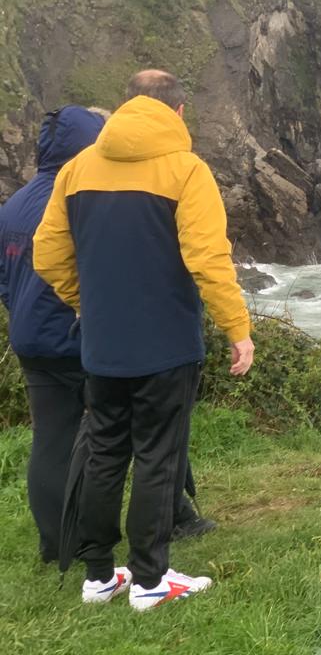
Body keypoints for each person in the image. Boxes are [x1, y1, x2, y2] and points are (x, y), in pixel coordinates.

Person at [34, 70, 254, 611]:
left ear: (127, 104)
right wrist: (237, 329)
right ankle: (153, 580)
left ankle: (99, 577)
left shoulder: (77, 169)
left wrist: (87, 305)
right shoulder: (186, 169)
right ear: (179, 112)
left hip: (103, 346)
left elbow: (47, 255)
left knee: (105, 452)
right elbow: (208, 259)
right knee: (159, 455)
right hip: (167, 346)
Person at [0, 106, 104, 564]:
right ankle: (175, 515)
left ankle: (55, 543)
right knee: (142, 421)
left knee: (51, 441)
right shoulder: (77, 198)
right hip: (76, 337)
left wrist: (22, 313)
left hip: (30, 338)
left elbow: (4, 279)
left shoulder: (15, 203)